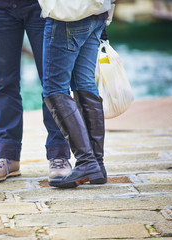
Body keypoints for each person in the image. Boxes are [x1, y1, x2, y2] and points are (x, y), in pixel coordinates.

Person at [0, 0, 71, 182]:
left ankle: (59, 155)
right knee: (3, 83)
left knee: (54, 83)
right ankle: (7, 156)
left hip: (44, 5)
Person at [42, 1, 115, 188]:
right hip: (97, 12)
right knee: (84, 84)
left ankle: (87, 162)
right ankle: (96, 164)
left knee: (54, 88)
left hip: (68, 14)